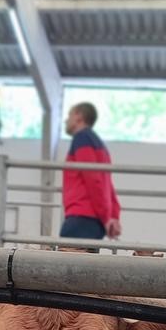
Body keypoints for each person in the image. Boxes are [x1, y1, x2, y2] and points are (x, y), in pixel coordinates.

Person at [60, 102, 121, 242]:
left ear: (78, 116)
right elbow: (107, 185)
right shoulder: (99, 145)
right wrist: (113, 216)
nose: (66, 120)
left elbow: (93, 179)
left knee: (66, 263)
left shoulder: (82, 138)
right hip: (93, 221)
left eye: (69, 115)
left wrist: (107, 218)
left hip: (81, 218)